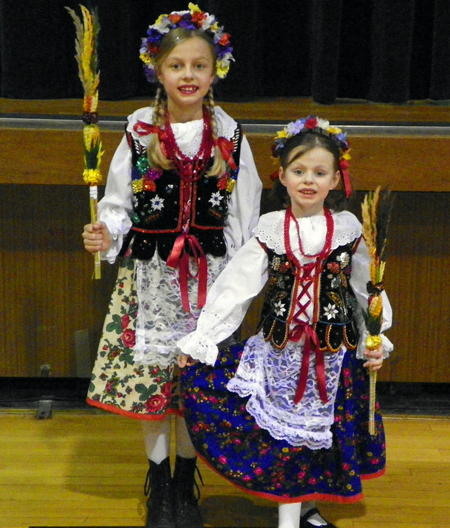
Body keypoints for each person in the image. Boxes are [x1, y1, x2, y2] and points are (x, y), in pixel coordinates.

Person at [81, 5, 262, 528]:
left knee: (196, 389)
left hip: (211, 283)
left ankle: (187, 482)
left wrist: (238, 285)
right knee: (157, 390)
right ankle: (160, 485)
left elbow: (245, 218)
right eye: (177, 66)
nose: (188, 76)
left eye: (199, 66)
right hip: (151, 278)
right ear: (158, 71)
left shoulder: (230, 134)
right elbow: (118, 203)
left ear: (215, 71)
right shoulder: (139, 130)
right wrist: (106, 231)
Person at [177, 116, 394, 528]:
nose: (308, 180)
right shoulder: (272, 228)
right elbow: (237, 286)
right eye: (299, 171)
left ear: (335, 179)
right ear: (283, 176)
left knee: (318, 436)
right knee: (283, 435)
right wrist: (203, 338)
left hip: (333, 354)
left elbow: (370, 291)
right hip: (281, 352)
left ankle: (305, 508)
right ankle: (289, 517)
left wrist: (375, 338)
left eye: (319, 172)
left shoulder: (349, 230)